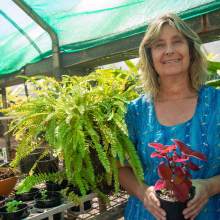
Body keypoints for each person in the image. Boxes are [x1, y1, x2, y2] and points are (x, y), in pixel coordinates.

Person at [118, 13, 220, 220]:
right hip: (146, 214)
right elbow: (122, 168)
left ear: (191, 51)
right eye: (159, 45)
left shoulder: (217, 104)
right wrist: (143, 192)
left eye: (177, 41)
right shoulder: (134, 111)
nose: (170, 50)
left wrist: (209, 187)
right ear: (150, 57)